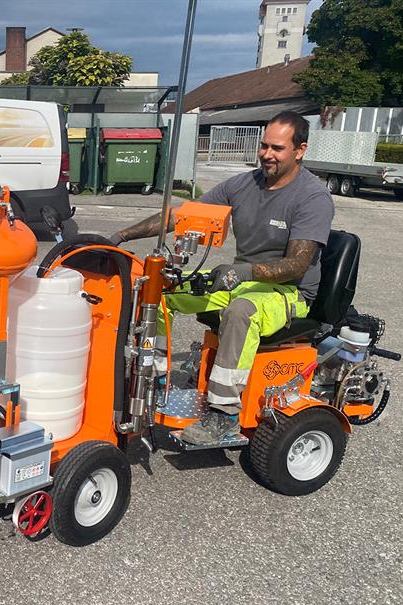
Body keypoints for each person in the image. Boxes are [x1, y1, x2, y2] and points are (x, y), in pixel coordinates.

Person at [110, 111, 334, 445]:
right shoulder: (244, 184)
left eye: (277, 148)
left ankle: (224, 413)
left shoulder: (312, 197)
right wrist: (120, 236)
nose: (267, 154)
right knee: (159, 290)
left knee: (240, 311)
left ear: (300, 150)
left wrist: (243, 271)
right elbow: (182, 215)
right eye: (264, 146)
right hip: (243, 281)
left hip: (289, 293)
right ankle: (152, 379)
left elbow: (298, 264)